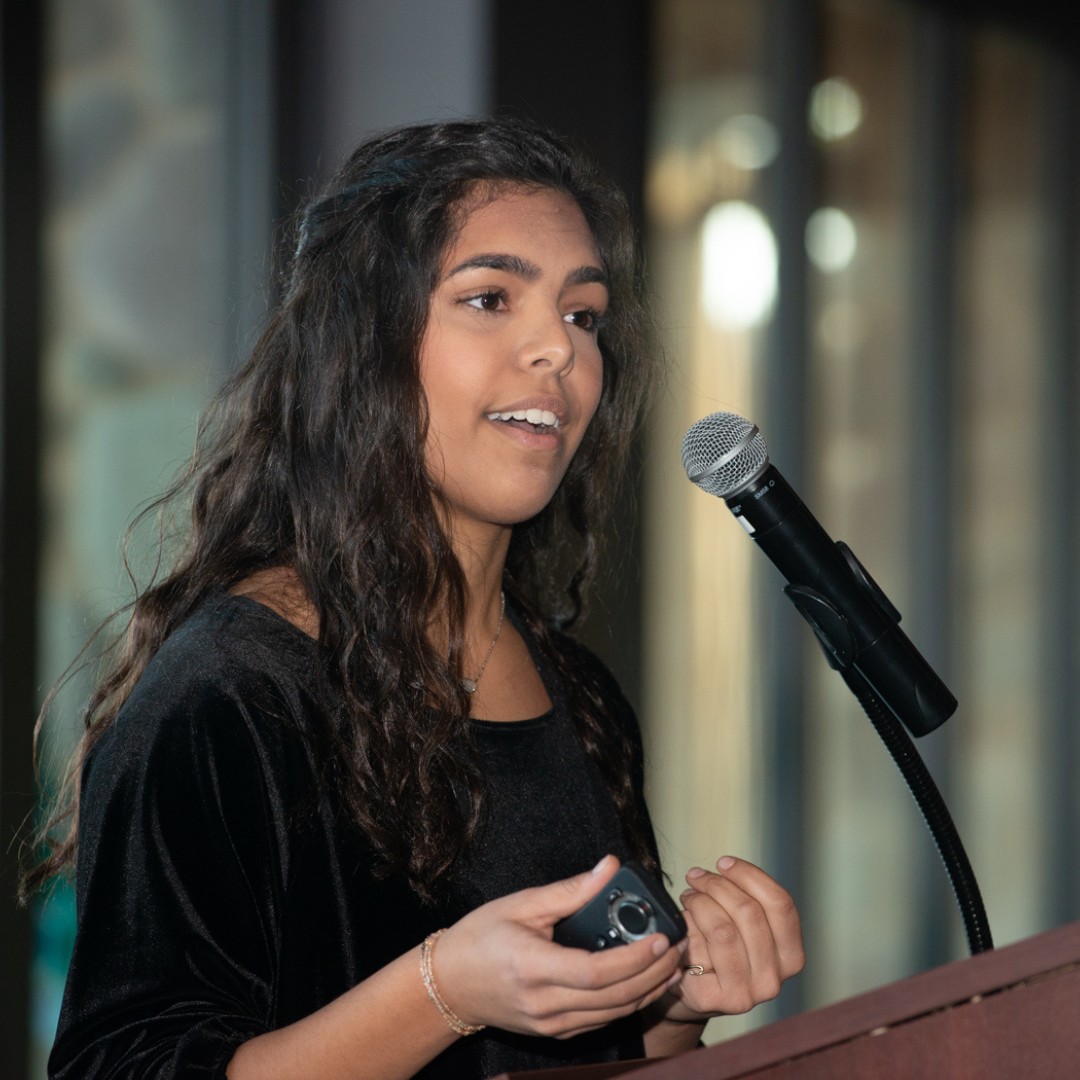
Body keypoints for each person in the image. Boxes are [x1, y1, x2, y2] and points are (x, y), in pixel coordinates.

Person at [29, 118, 804, 1080]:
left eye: (584, 315)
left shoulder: (584, 696)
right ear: (363, 348)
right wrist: (440, 990)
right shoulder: (228, 694)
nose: (557, 352)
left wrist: (673, 1007)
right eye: (489, 298)